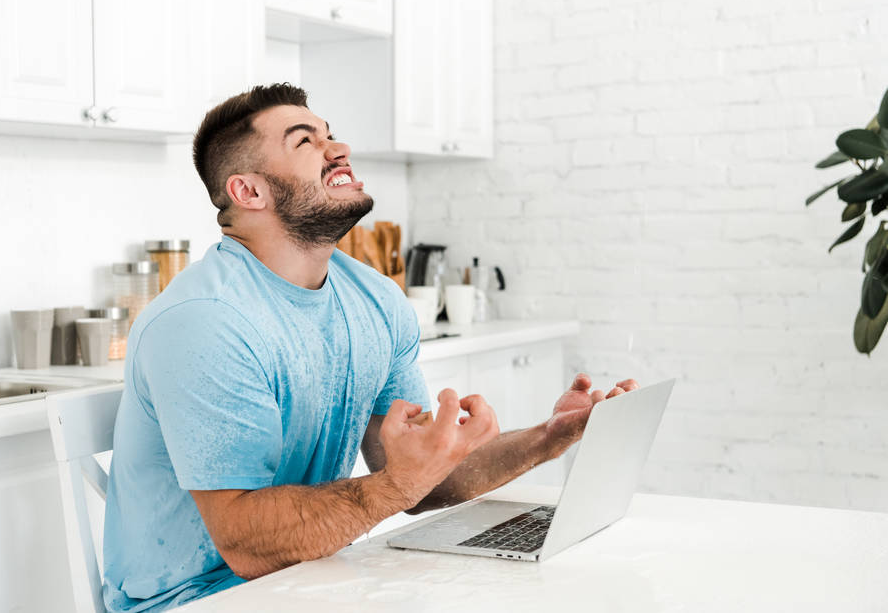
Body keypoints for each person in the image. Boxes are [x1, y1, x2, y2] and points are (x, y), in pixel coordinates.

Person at [101, 83, 638, 612]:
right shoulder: (207, 322)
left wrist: (550, 437)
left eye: (330, 135)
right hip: (195, 600)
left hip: (316, 577)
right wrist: (395, 486)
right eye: (305, 141)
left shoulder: (375, 299)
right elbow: (243, 544)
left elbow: (422, 482)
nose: (340, 150)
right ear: (249, 192)